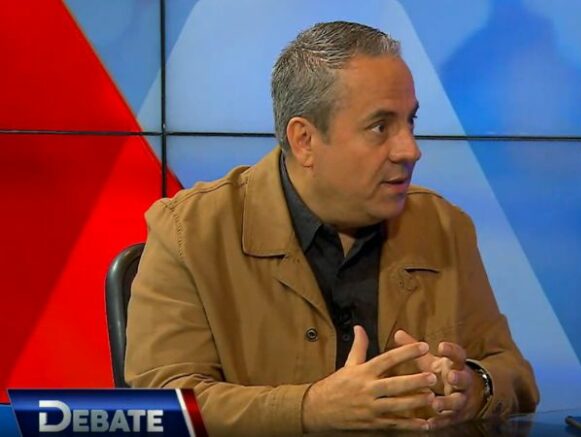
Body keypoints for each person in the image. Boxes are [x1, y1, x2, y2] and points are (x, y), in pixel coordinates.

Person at [125, 21, 539, 435]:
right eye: (380, 127)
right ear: (304, 140)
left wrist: (474, 387)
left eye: (410, 121)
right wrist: (308, 409)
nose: (410, 150)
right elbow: (161, 408)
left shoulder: (444, 227)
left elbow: (512, 372)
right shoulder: (189, 233)